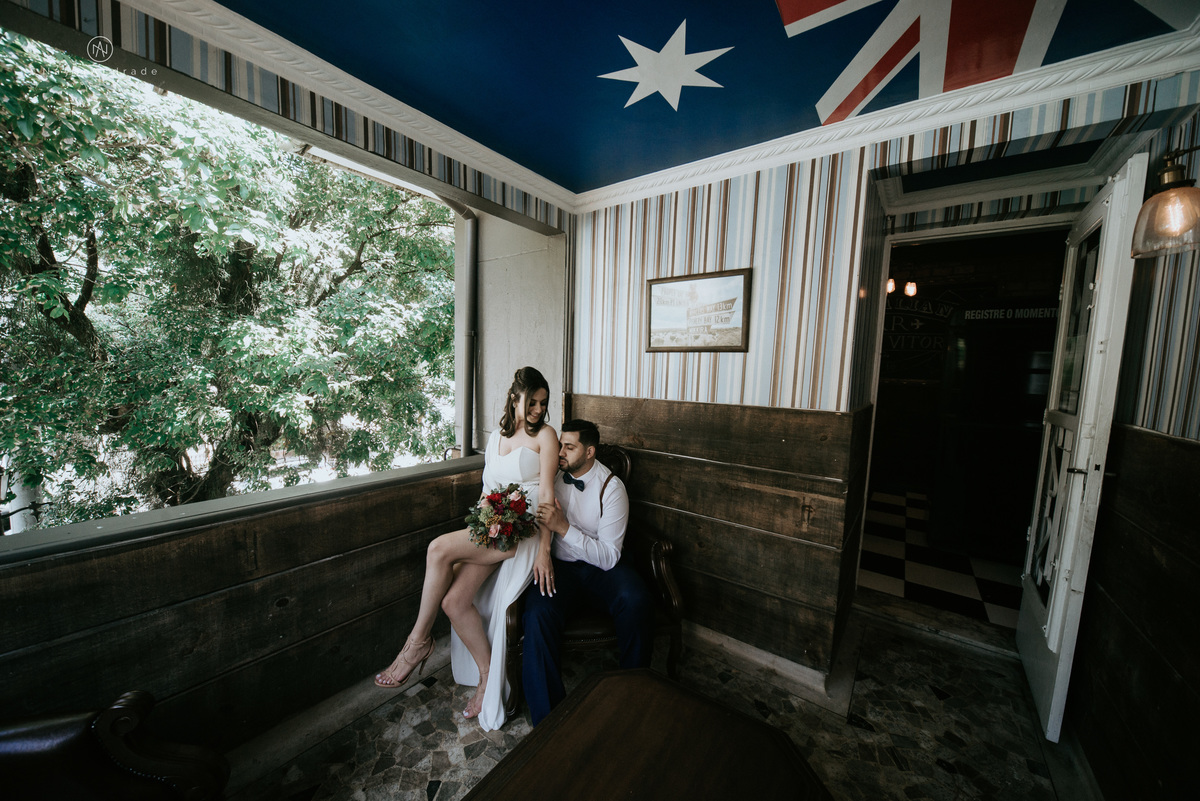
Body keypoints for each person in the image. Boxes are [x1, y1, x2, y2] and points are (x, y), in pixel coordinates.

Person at [374, 366, 558, 731]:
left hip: (525, 531)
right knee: (453, 601)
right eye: (532, 401)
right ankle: (488, 675)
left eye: (543, 402)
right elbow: (487, 490)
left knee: (437, 548)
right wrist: (486, 517)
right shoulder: (497, 437)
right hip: (496, 526)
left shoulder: (547, 436)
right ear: (514, 397)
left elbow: (550, 498)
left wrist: (544, 549)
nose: (538, 409)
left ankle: (417, 644)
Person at [524, 419, 655, 724]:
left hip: (602, 569)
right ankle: (548, 721)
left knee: (636, 601)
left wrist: (564, 528)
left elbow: (609, 556)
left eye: (569, 447)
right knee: (538, 613)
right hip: (561, 569)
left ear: (590, 452)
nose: (561, 452)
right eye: (560, 445)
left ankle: (632, 693)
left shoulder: (612, 489)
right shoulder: (551, 477)